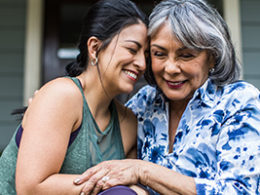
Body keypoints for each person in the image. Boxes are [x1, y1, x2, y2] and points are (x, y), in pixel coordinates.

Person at [73, 0, 260, 194]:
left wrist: (143, 171)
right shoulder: (144, 103)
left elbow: (240, 191)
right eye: (159, 54)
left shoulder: (238, 101)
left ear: (212, 56)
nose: (170, 69)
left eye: (186, 55)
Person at [0, 0, 149, 194]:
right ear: (94, 48)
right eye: (132, 49)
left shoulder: (127, 123)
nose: (142, 64)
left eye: (146, 54)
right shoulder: (62, 96)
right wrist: (109, 182)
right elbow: (31, 188)